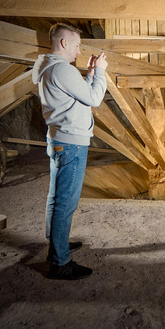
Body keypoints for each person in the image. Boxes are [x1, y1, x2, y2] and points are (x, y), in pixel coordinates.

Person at [32, 23, 108, 280]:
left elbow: (79, 96)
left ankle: (57, 243)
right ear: (64, 43)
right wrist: (100, 73)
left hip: (59, 140)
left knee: (56, 198)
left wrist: (88, 74)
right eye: (76, 45)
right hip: (72, 143)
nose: (78, 50)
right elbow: (94, 98)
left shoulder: (49, 67)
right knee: (65, 202)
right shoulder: (63, 69)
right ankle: (60, 262)